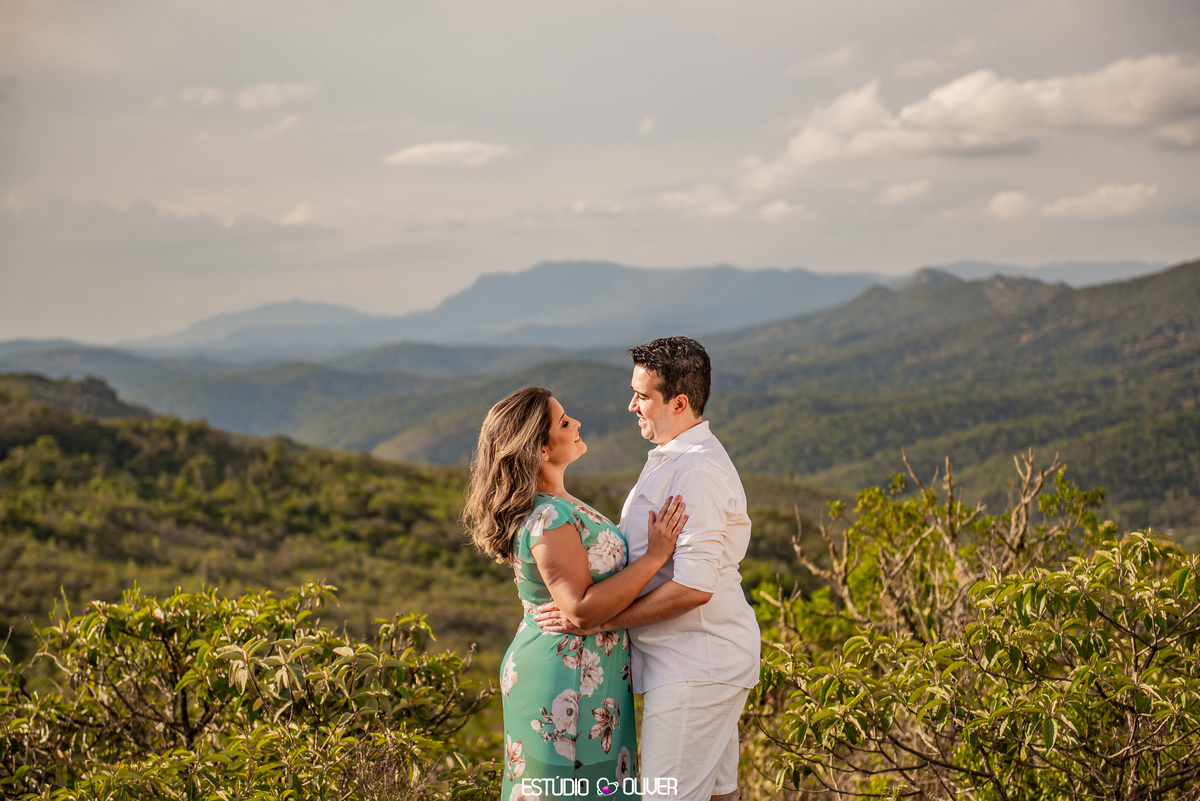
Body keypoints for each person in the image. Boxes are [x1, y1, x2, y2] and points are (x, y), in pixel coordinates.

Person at [537, 337, 760, 801]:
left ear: (679, 403)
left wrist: (602, 620)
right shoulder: (673, 458)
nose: (631, 405)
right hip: (692, 664)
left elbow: (695, 587)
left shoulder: (695, 472)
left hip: (695, 665)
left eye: (642, 396)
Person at [463, 386, 688, 800]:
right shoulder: (548, 516)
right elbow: (580, 610)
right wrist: (655, 556)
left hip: (588, 671)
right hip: (566, 677)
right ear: (540, 449)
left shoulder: (558, 503)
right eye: (565, 422)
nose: (577, 423)